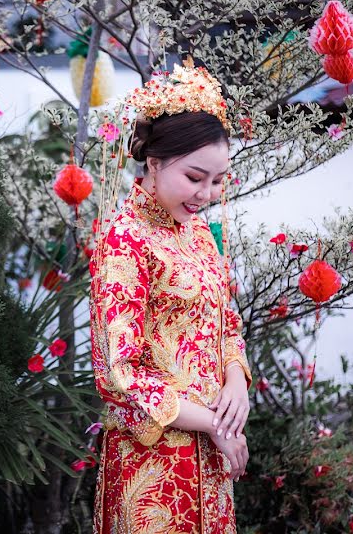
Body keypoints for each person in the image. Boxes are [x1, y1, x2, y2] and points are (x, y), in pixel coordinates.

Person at [90, 65, 251, 534]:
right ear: (154, 162)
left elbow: (226, 321)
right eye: (196, 177)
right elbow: (122, 372)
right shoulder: (124, 240)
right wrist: (215, 426)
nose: (207, 194)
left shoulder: (198, 233)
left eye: (218, 180)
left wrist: (236, 379)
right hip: (153, 463)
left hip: (211, 454)